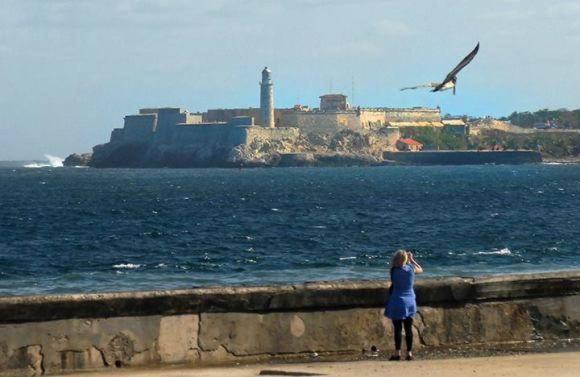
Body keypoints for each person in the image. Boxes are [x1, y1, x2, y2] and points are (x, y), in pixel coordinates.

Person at [384, 250, 423, 361]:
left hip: (396, 301)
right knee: (408, 328)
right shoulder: (411, 269)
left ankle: (397, 353)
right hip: (410, 301)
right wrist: (412, 260)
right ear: (406, 259)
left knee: (397, 329)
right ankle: (409, 353)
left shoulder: (393, 270)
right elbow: (421, 269)